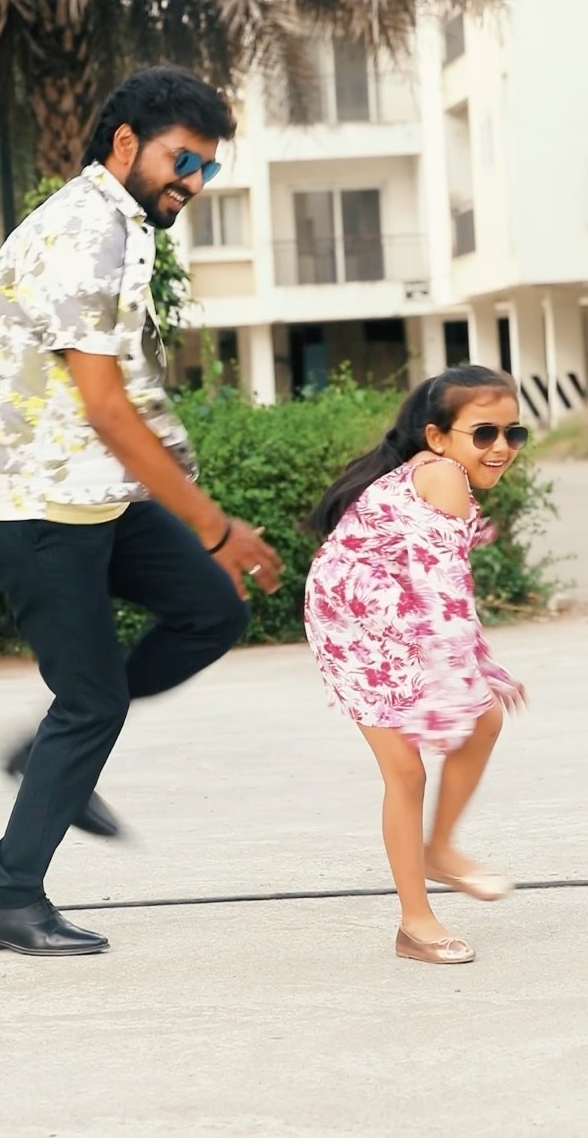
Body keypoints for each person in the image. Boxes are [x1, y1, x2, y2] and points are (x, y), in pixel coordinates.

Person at [0, 65, 284, 957]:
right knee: (92, 700)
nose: (195, 182)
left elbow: (124, 392)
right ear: (126, 142)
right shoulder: (79, 235)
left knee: (209, 611)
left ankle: (48, 752)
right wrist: (214, 525)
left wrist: (186, 501)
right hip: (30, 503)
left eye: (208, 170)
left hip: (95, 495)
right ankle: (7, 902)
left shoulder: (125, 227)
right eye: (186, 160)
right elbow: (105, 407)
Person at [304, 365, 527, 965]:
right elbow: (441, 592)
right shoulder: (444, 477)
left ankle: (441, 849)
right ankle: (416, 921)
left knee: (484, 720)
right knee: (406, 772)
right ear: (438, 437)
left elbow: (445, 589)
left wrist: (478, 666)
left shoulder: (439, 475)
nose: (501, 448)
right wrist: (464, 672)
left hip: (390, 607)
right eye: (484, 433)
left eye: (513, 434)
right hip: (352, 619)